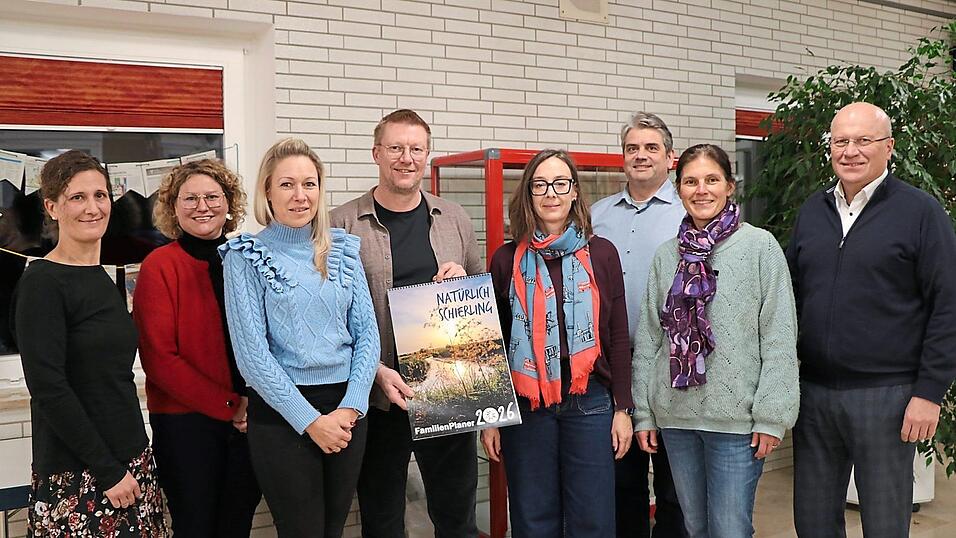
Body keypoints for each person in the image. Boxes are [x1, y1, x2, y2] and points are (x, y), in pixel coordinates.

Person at [787, 102, 956, 537]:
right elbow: (790, 297)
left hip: (888, 396)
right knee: (813, 522)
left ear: (889, 147)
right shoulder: (812, 211)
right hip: (816, 394)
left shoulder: (920, 212)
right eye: (840, 141)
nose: (850, 151)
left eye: (864, 140)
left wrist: (929, 392)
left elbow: (948, 304)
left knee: (883, 523)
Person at [330, 109, 483, 538]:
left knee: (457, 515)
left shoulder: (454, 218)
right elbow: (327, 317)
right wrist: (373, 372)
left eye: (416, 149)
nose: (406, 158)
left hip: (447, 388)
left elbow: (481, 295)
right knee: (381, 517)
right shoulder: (340, 224)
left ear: (428, 154)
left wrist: (463, 282)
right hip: (377, 392)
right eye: (395, 148)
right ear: (376, 153)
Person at [632, 144, 799, 537]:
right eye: (691, 181)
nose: (701, 190)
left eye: (711, 180)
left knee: (729, 529)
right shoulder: (666, 255)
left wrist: (772, 416)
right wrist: (644, 411)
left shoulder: (760, 248)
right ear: (678, 188)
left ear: (730, 186)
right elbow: (650, 339)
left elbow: (778, 336)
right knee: (695, 527)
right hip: (676, 417)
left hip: (737, 422)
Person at [220, 138, 379, 538]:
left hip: (346, 411)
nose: (300, 196)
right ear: (268, 191)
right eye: (287, 184)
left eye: (309, 184)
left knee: (333, 530)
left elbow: (367, 336)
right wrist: (310, 422)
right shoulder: (246, 255)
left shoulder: (341, 248)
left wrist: (350, 409)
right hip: (283, 414)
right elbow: (253, 358)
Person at [12, 150, 167, 536]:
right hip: (83, 474)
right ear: (52, 207)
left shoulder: (101, 277)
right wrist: (109, 471)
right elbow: (49, 390)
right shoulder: (42, 283)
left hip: (131, 459)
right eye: (77, 197)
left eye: (100, 195)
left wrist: (132, 461)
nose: (92, 207)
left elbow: (110, 379)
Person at [482, 148, 633, 537]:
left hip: (591, 402)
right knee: (533, 520)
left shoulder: (602, 254)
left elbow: (617, 335)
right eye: (540, 184)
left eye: (560, 183)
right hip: (527, 406)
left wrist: (623, 409)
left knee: (593, 521)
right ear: (529, 194)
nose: (551, 193)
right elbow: (493, 345)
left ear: (574, 193)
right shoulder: (505, 260)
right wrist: (492, 419)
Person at [133, 159, 262, 536]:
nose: (202, 206)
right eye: (190, 198)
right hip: (186, 426)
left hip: (249, 423)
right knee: (196, 528)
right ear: (173, 207)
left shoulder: (246, 258)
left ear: (229, 203)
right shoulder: (159, 266)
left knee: (236, 526)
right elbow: (160, 360)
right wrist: (231, 405)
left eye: (212, 196)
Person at [591, 111, 688, 538]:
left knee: (675, 485)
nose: (641, 156)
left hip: (675, 367)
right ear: (622, 158)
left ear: (671, 157)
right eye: (633, 148)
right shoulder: (596, 214)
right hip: (613, 366)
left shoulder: (691, 211)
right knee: (620, 482)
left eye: (651, 148)